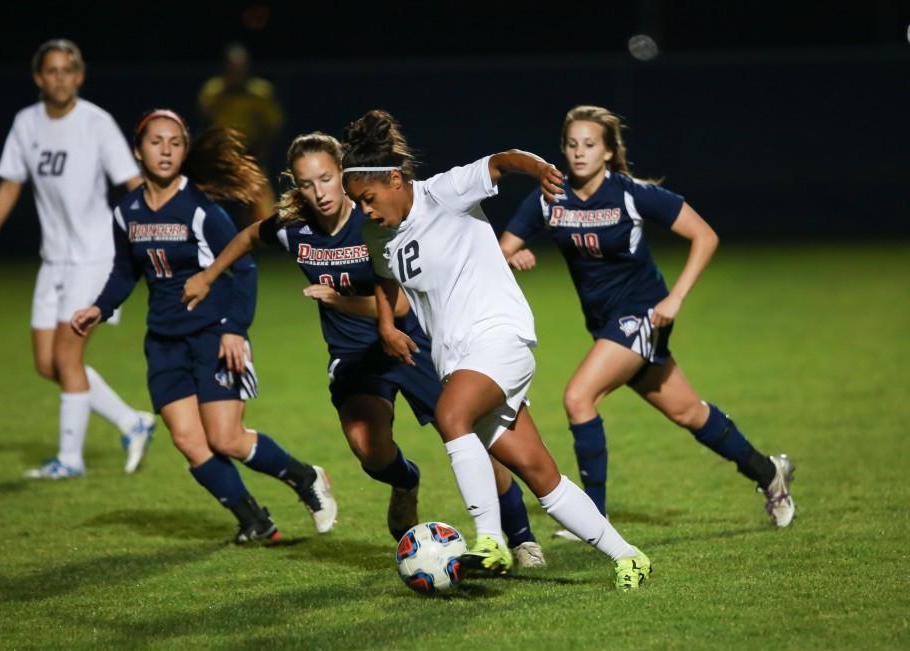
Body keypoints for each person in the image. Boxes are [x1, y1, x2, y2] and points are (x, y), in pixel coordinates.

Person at [181, 132, 546, 567]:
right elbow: (246, 238)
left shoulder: (376, 221)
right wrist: (208, 277)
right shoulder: (293, 230)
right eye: (307, 183)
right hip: (354, 359)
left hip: (413, 345)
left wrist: (340, 302)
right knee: (370, 454)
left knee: (480, 439)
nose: (319, 192)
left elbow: (404, 300)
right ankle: (406, 481)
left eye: (326, 178)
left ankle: (521, 537)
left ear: (343, 175)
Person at [343, 110, 651, 590]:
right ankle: (628, 555)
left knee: (451, 417)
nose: (363, 209)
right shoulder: (377, 233)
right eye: (356, 202)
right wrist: (386, 325)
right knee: (540, 475)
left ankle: (489, 540)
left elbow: (503, 162)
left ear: (396, 180)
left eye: (367, 198)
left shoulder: (444, 193)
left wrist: (540, 170)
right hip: (458, 359)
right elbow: (385, 279)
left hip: (500, 336)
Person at [499, 105, 795, 528]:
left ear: (607, 152)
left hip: (642, 315)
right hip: (605, 325)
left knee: (578, 397)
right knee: (689, 413)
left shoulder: (630, 194)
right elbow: (500, 249)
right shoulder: (549, 196)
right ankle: (770, 473)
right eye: (571, 144)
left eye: (589, 144)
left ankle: (591, 519)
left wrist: (675, 298)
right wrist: (514, 255)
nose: (579, 152)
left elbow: (705, 236)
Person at [70, 109, 337, 543]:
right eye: (156, 142)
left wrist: (235, 329)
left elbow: (244, 268)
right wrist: (98, 308)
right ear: (138, 150)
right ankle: (256, 521)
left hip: (214, 335)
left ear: (185, 151)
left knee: (226, 438)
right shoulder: (127, 212)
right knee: (190, 442)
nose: (166, 150)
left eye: (175, 142)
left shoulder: (199, 210)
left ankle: (305, 477)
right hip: (163, 342)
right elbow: (124, 272)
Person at [0, 39, 154, 479]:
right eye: (52, 70)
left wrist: (153, 232)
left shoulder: (96, 123)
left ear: (80, 76)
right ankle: (132, 421)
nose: (61, 78)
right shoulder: (26, 123)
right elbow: (10, 184)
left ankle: (69, 460)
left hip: (94, 257)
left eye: (69, 70)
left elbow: (132, 181)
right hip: (54, 261)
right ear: (38, 78)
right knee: (47, 364)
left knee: (68, 359)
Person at [198, 42, 283, 221]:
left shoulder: (261, 92)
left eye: (241, 67)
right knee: (207, 209)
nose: (237, 72)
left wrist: (261, 153)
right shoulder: (213, 90)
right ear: (225, 67)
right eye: (233, 67)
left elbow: (273, 126)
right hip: (219, 157)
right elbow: (205, 122)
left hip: (251, 156)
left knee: (266, 217)